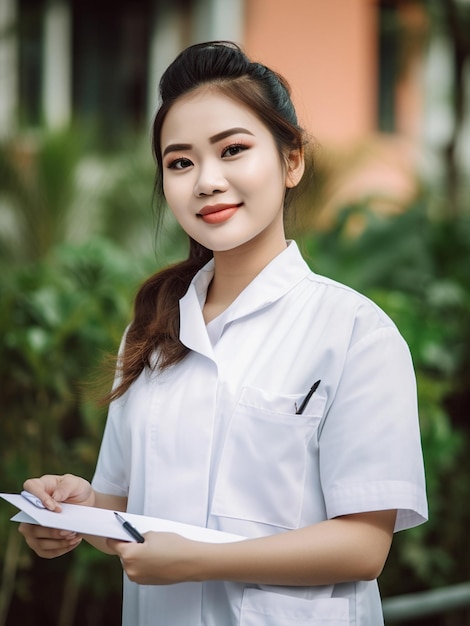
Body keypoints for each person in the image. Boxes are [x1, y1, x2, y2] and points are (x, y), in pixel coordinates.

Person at [19, 41, 427, 626]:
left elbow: (362, 548)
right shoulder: (154, 330)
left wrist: (201, 560)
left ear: (292, 162)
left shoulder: (356, 333)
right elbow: (126, 510)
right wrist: (78, 513)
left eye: (232, 150)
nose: (207, 181)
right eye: (180, 162)